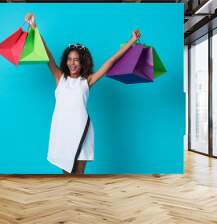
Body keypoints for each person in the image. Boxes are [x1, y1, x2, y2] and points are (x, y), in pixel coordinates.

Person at [24, 13, 141, 175]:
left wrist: (132, 41)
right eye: (69, 59)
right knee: (66, 177)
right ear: (65, 60)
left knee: (79, 177)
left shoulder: (88, 81)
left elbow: (111, 61)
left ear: (83, 62)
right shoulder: (60, 78)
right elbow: (47, 55)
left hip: (81, 129)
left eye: (76, 59)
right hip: (62, 131)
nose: (72, 63)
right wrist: (34, 27)